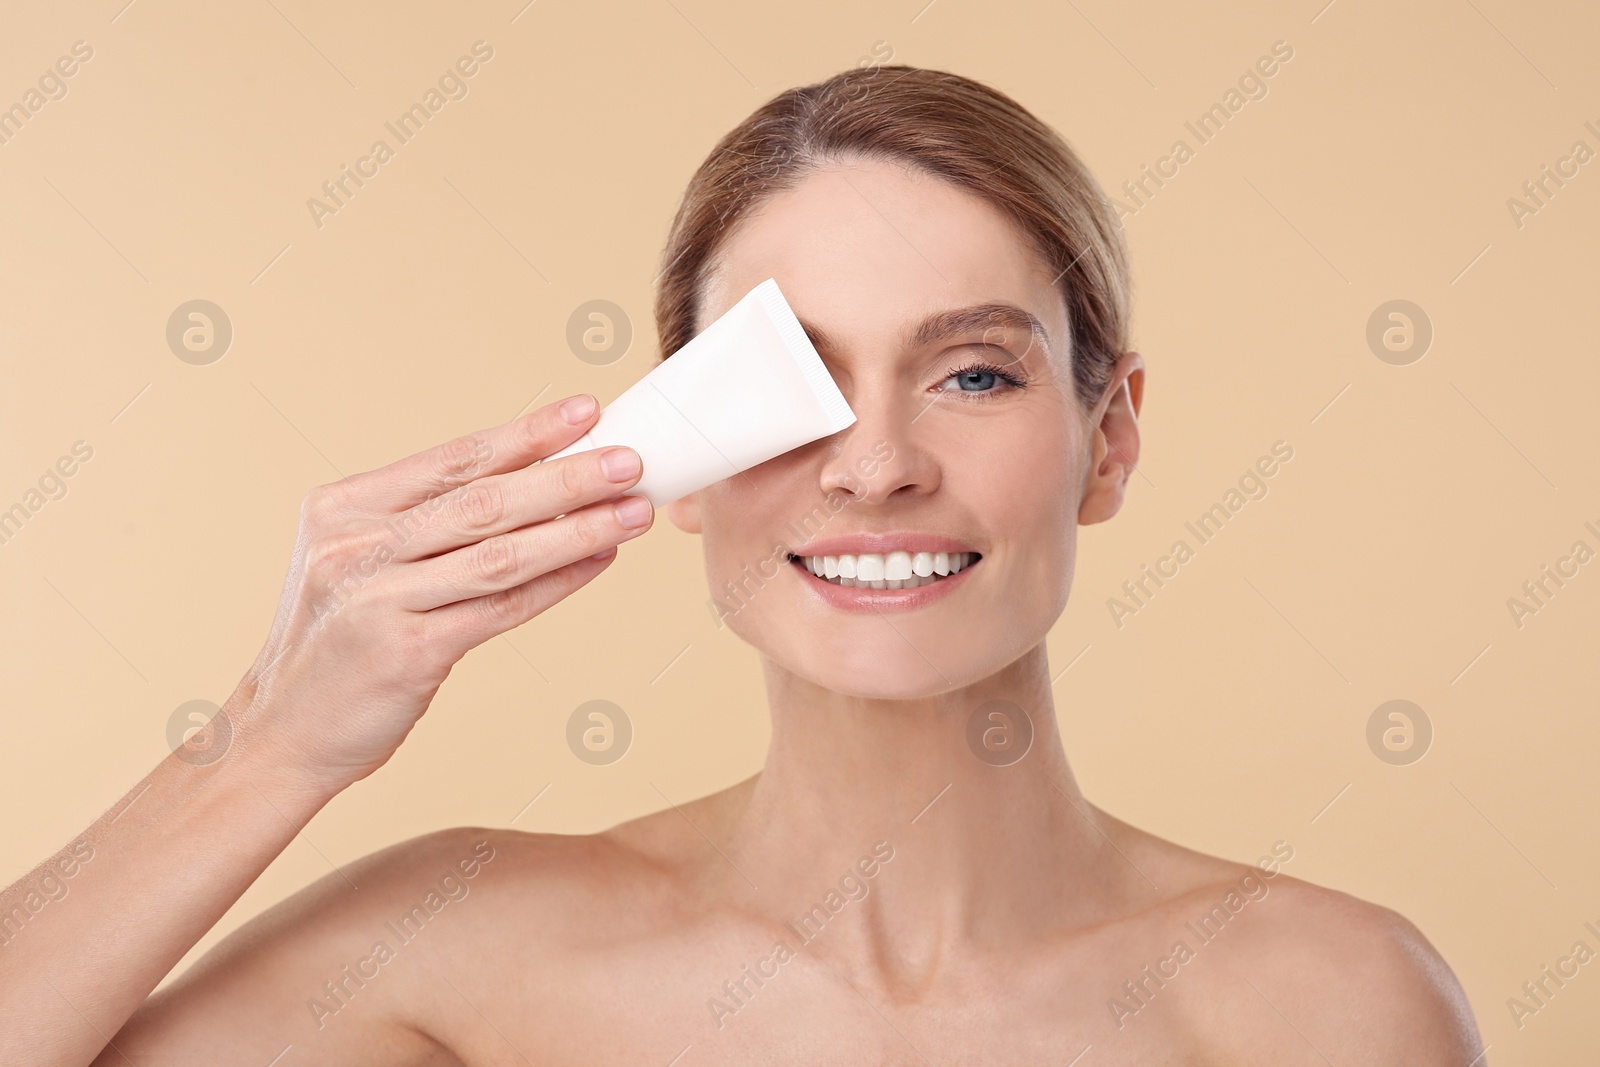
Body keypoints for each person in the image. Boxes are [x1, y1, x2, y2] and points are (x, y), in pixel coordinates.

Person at [2, 65, 1485, 1065]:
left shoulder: (1324, 1004)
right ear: (685, 456)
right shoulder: (448, 959)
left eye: (974, 375)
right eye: (792, 384)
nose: (875, 463)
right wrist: (268, 746)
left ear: (1110, 438)